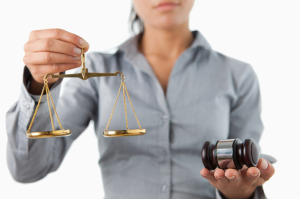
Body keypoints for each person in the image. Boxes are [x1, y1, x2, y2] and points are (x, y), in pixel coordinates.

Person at [6, 0, 275, 198]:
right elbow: (28, 169)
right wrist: (38, 85)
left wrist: (241, 193)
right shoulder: (99, 72)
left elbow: (245, 167)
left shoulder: (238, 75)